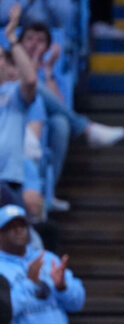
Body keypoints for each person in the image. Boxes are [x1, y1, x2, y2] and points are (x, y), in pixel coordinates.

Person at [0, 5, 38, 208]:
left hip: (8, 180)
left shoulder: (13, 93)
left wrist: (12, 37)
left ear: (6, 64)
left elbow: (31, 80)